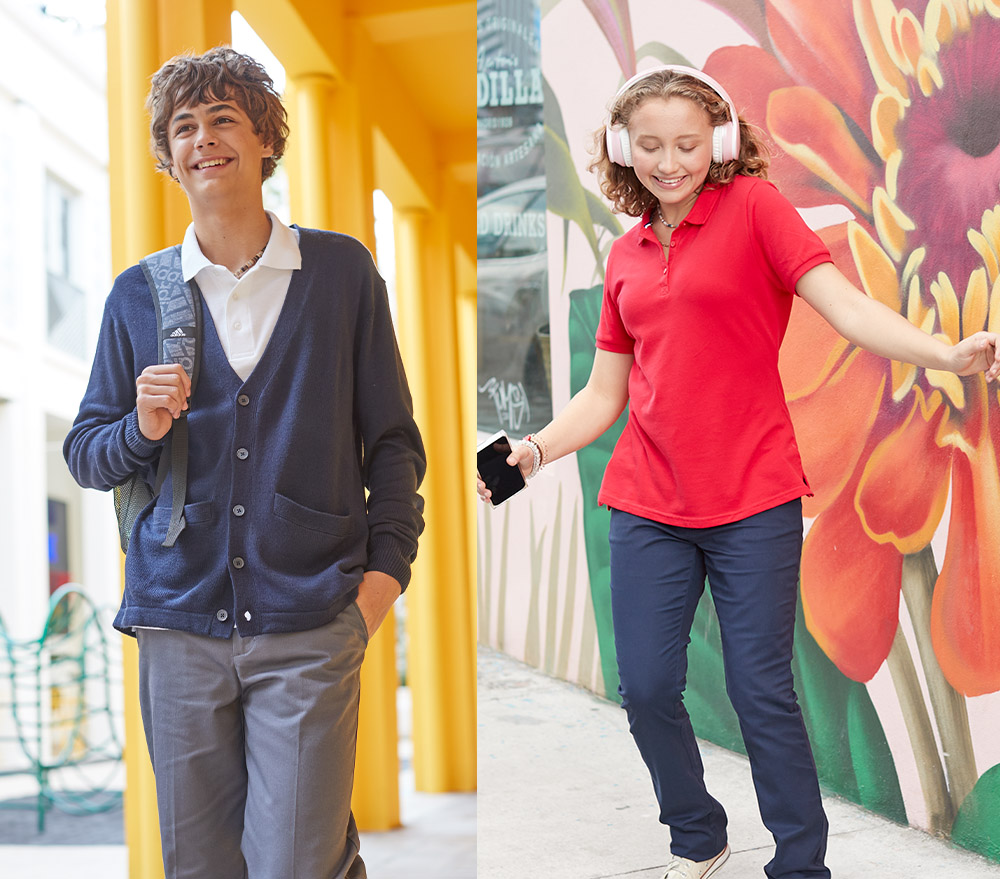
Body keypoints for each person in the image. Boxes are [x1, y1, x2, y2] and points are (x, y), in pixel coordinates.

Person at [477, 66, 1000, 879]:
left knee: (762, 694)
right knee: (646, 686)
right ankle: (698, 833)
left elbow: (845, 306)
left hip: (752, 495)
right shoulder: (625, 255)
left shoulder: (756, 211)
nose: (669, 162)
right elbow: (603, 391)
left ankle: (800, 865)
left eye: (687, 144)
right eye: (649, 146)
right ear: (623, 149)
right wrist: (537, 450)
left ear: (718, 142)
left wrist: (944, 352)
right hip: (648, 500)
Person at [65, 47, 425, 879]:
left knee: (300, 862)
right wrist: (143, 429)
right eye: (183, 127)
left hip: (311, 620)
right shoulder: (138, 295)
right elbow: (87, 451)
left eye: (224, 117)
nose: (203, 139)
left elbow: (394, 443)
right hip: (178, 620)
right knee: (198, 866)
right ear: (168, 156)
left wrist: (379, 587)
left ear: (264, 137)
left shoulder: (339, 274)